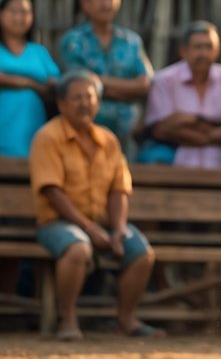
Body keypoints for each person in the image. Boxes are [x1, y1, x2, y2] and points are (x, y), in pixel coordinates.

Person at [29, 70, 163, 341]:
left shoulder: (108, 139)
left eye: (89, 97)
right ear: (61, 103)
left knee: (141, 253)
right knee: (78, 249)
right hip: (57, 224)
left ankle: (126, 320)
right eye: (76, 98)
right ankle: (67, 319)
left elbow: (119, 189)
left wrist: (118, 229)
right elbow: (52, 192)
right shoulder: (48, 137)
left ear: (98, 103)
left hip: (104, 223)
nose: (83, 103)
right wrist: (90, 229)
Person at [58, 0, 153, 153]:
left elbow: (145, 84)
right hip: (85, 133)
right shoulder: (73, 41)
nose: (106, 3)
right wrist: (129, 91)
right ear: (85, 3)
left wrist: (98, 82)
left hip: (127, 136)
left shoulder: (132, 41)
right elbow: (77, 84)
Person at [142, 21, 221, 168]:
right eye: (198, 47)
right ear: (184, 51)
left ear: (217, 51)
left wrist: (193, 128)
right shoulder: (164, 80)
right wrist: (203, 125)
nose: (204, 54)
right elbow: (161, 129)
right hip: (173, 163)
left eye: (209, 47)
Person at [0, 0, 59, 157]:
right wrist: (31, 84)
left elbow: (55, 84)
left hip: (32, 124)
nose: (19, 17)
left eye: (25, 12)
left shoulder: (39, 52)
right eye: (13, 11)